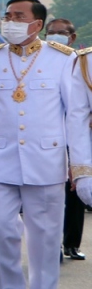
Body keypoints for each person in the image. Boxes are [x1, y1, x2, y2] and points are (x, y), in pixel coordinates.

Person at [0, 0, 78, 289]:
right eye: (7, 15)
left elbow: (73, 117)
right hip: (1, 159)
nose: (10, 21)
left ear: (37, 24)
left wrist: (78, 165)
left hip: (46, 160)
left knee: (45, 238)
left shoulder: (62, 60)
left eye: (18, 16)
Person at [46, 18, 86, 261]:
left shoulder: (83, 62)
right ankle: (54, 245)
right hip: (50, 135)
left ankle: (71, 243)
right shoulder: (39, 61)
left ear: (72, 37)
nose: (56, 36)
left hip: (77, 135)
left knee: (76, 190)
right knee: (52, 193)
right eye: (51, 33)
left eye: (61, 33)